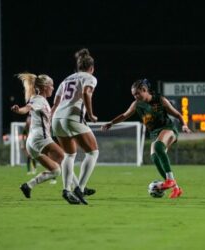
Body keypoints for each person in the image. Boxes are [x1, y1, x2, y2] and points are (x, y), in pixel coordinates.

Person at [101, 79, 191, 198]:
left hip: (168, 129)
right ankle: (176, 188)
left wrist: (184, 125)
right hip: (155, 133)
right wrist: (111, 123)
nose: (136, 97)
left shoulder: (160, 100)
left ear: (144, 90)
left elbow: (178, 115)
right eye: (134, 95)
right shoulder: (136, 104)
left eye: (137, 93)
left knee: (158, 146)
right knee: (155, 158)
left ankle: (170, 181)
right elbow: (124, 115)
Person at [51, 48, 99, 205]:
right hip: (71, 117)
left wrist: (49, 120)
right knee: (93, 152)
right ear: (91, 68)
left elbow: (56, 102)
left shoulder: (66, 79)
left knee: (69, 155)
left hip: (57, 118)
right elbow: (86, 93)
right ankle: (81, 188)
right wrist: (91, 115)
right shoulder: (90, 78)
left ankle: (67, 189)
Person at [11, 73, 64, 199]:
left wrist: (56, 106)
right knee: (64, 157)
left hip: (33, 142)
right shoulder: (38, 99)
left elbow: (46, 115)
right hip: (40, 139)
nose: (53, 88)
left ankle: (28, 185)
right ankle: (76, 189)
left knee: (56, 170)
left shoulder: (42, 101)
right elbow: (27, 108)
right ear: (45, 87)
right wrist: (19, 110)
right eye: (52, 86)